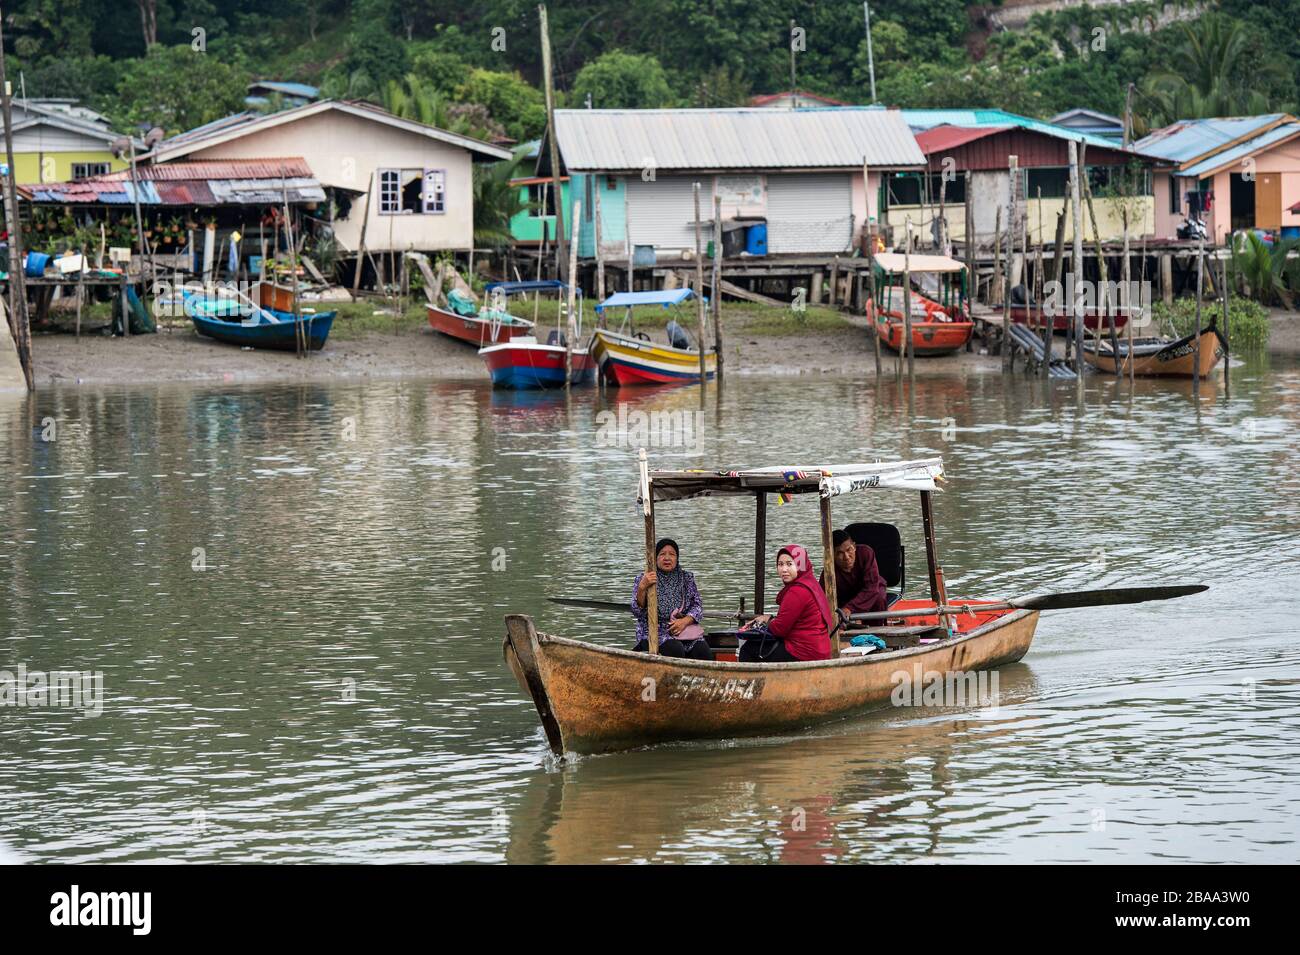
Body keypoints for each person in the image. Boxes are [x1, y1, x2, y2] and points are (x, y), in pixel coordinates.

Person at [738, 544, 833, 662]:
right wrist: (768, 618)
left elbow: (779, 629)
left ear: (800, 566)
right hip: (820, 649)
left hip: (805, 652)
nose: (784, 569)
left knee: (748, 649)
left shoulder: (797, 591)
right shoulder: (810, 583)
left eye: (789, 564)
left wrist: (765, 623)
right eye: (780, 564)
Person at [630, 538, 711, 660]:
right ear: (655, 558)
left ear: (677, 558)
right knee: (675, 649)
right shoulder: (644, 578)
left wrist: (684, 622)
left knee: (702, 650)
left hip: (682, 630)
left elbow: (697, 606)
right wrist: (642, 588)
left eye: (672, 554)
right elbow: (637, 611)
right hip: (655, 632)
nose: (667, 558)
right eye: (662, 554)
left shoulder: (686, 578)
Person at [822, 529, 887, 627]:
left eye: (849, 550)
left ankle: (876, 632)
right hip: (845, 598)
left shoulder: (866, 553)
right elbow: (822, 597)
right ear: (832, 555)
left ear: (854, 546)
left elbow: (872, 588)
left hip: (871, 591)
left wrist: (849, 608)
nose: (847, 557)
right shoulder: (829, 570)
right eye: (840, 553)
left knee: (878, 599)